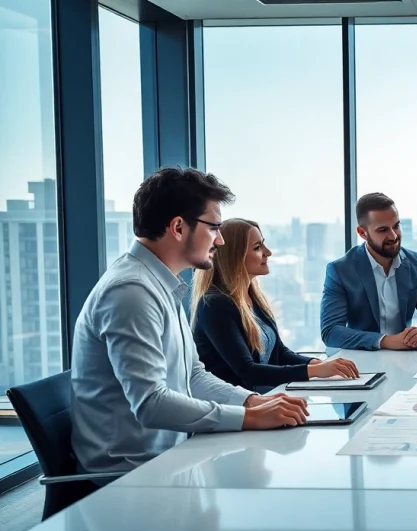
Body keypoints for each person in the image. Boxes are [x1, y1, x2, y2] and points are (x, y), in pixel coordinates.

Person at [70, 167, 310, 479]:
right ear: (179, 228)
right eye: (214, 228)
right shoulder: (130, 293)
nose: (220, 241)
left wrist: (253, 401)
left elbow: (194, 377)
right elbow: (151, 403)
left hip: (175, 461)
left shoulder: (162, 285)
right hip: (130, 478)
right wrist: (247, 418)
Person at [191, 218, 360, 393]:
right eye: (257, 248)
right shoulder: (214, 305)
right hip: (237, 408)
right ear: (234, 256)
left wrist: (318, 364)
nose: (268, 252)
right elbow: (248, 371)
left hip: (266, 397)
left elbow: (279, 352)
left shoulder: (253, 296)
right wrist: (314, 371)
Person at [321, 192, 417, 350]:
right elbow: (330, 332)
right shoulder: (340, 270)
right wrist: (386, 341)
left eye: (396, 226)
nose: (393, 235)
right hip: (362, 361)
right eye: (382, 230)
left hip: (407, 358)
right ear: (362, 233)